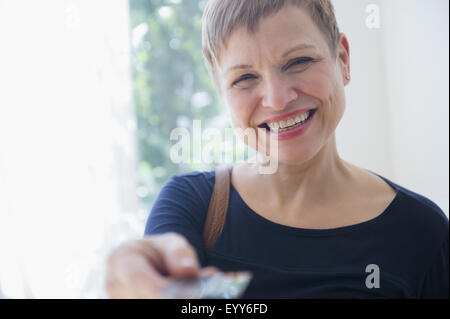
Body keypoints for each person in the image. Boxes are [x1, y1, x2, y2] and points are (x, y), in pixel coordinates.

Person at [106, 0, 449, 298]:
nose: (277, 98)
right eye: (244, 78)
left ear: (342, 59)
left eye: (298, 61)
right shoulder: (192, 207)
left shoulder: (421, 230)